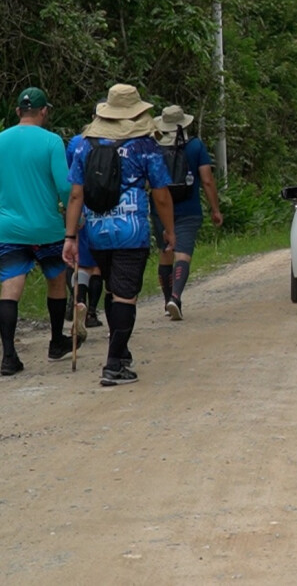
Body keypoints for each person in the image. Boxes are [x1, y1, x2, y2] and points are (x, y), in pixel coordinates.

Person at [62, 84, 176, 387]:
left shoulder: (86, 145)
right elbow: (161, 195)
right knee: (126, 295)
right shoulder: (145, 146)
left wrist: (70, 237)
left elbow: (75, 195)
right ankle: (113, 366)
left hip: (97, 232)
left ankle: (121, 352)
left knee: (114, 291)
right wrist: (169, 229)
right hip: (131, 232)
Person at [0, 86, 81, 375]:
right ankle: (56, 342)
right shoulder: (52, 141)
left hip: (9, 228)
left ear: (17, 111)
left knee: (10, 288)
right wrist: (72, 222)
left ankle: (9, 356)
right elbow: (65, 186)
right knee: (56, 279)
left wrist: (0, 214)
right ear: (44, 111)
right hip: (47, 228)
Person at [151, 104, 223, 321]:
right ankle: (175, 296)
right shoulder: (195, 146)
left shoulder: (154, 146)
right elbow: (208, 180)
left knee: (165, 252)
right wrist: (215, 209)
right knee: (183, 254)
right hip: (189, 208)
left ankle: (167, 302)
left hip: (160, 208)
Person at [64, 102, 105, 330]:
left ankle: (78, 301)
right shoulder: (116, 142)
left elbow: (71, 179)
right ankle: (91, 312)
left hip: (80, 207)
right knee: (96, 265)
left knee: (76, 259)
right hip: (105, 209)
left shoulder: (77, 143)